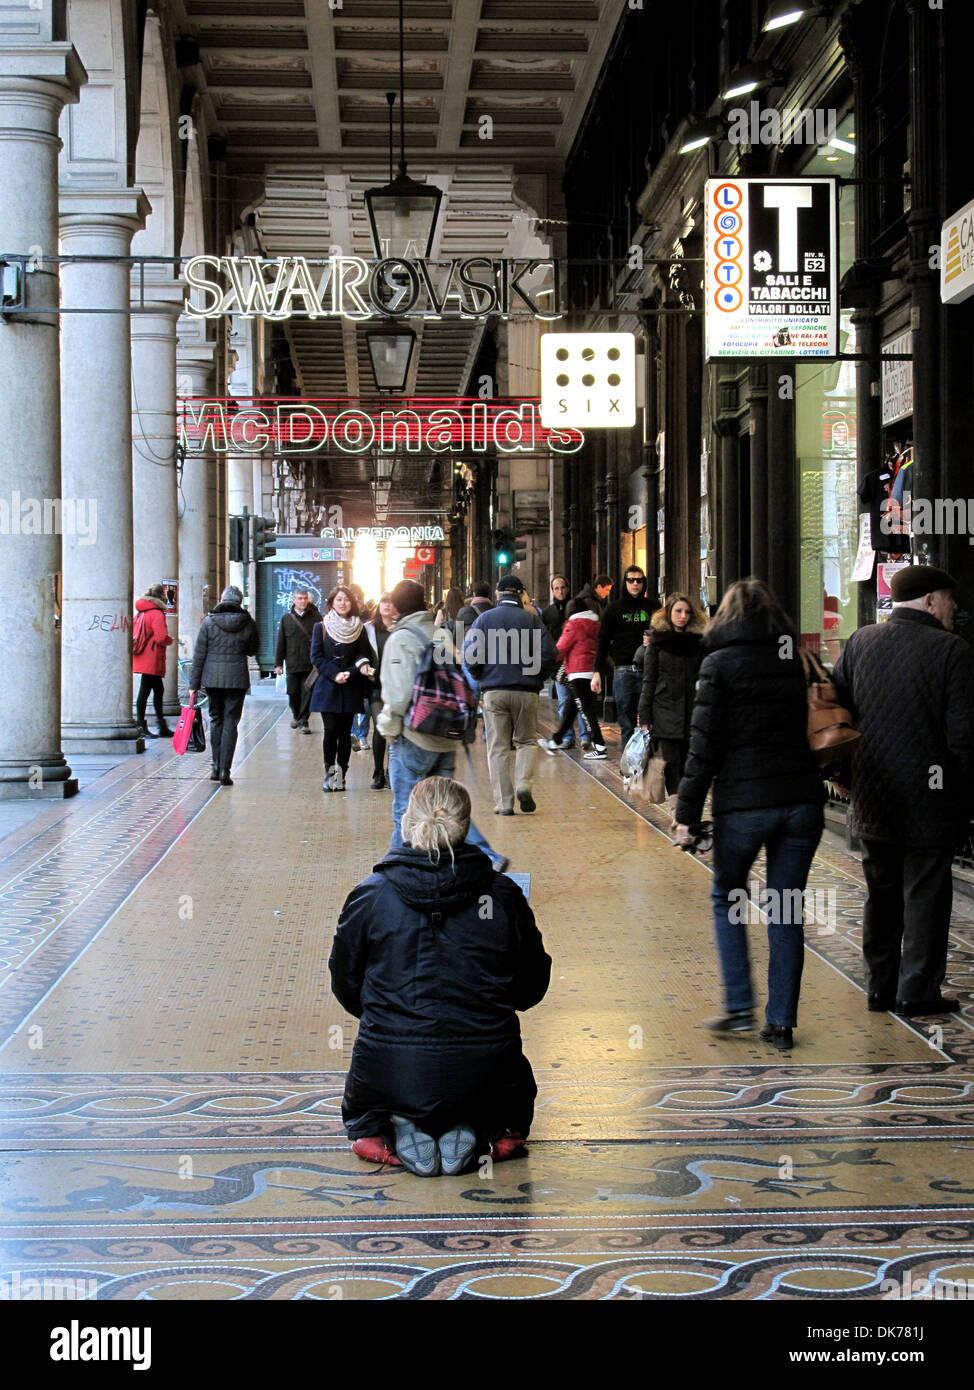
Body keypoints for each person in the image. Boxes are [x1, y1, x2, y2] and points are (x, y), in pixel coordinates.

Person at [329, 776, 551, 1175]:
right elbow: (531, 986)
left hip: (389, 1067)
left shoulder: (372, 894)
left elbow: (345, 984)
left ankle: (386, 1128)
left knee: (374, 1092)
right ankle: (489, 1132)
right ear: (465, 826)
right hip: (487, 1071)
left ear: (406, 822)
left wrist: (390, 1010)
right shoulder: (500, 896)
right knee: (507, 1103)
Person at [673, 578, 826, 1051]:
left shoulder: (717, 664)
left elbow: (703, 748)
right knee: (785, 909)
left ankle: (739, 1005)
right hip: (801, 800)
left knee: (727, 896)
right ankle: (780, 1024)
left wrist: (685, 815)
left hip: (743, 805)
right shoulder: (796, 659)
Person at [834, 565, 974, 1016]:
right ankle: (917, 991)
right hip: (931, 800)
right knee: (926, 895)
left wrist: (841, 773)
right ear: (931, 600)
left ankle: (879, 988)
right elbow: (964, 737)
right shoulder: (953, 651)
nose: (954, 610)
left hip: (874, 795)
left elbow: (837, 715)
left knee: (881, 893)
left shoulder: (860, 642)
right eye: (950, 601)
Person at [377, 579, 507, 870]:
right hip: (445, 734)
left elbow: (398, 695)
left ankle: (393, 871)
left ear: (396, 606)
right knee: (446, 808)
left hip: (415, 737)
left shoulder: (401, 638)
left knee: (406, 809)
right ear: (424, 602)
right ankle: (488, 856)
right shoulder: (439, 634)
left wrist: (388, 727)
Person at [463, 573, 557, 815]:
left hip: (495, 691)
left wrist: (482, 677)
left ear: (498, 594)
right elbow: (549, 653)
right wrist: (537, 677)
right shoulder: (532, 620)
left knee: (498, 747)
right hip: (526, 692)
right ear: (521, 594)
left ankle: (504, 803)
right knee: (526, 741)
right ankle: (524, 785)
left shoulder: (484, 620)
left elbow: (470, 656)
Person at [637, 593, 707, 826]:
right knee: (671, 763)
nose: (682, 616)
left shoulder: (699, 643)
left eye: (686, 612)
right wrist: (644, 713)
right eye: (678, 611)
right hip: (664, 709)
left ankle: (686, 811)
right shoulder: (658, 642)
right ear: (669, 613)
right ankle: (678, 813)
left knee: (690, 764)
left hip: (693, 711)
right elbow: (649, 679)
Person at [187, 584, 259, 786]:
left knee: (216, 719)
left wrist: (194, 683)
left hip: (213, 680)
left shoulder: (208, 622)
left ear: (221, 599)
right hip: (236, 680)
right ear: (240, 602)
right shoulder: (248, 622)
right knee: (231, 723)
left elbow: (198, 655)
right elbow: (253, 650)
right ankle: (225, 771)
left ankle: (215, 766)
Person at [309, 586, 375, 793]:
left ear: (352, 603)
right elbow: (316, 657)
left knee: (345, 734)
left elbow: (364, 654)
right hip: (328, 686)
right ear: (331, 602)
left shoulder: (359, 627)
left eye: (346, 600)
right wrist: (334, 674)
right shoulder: (321, 626)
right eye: (338, 599)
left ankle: (342, 775)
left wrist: (351, 672)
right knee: (330, 732)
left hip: (351, 686)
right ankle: (330, 774)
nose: (342, 603)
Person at [537, 595, 607, 759]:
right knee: (571, 709)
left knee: (586, 710)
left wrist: (546, 659)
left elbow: (561, 648)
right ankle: (555, 740)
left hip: (577, 671)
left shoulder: (574, 624)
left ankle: (600, 746)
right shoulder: (595, 624)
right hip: (591, 671)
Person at [594, 565, 651, 760]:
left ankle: (647, 763)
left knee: (648, 720)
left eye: (639, 580)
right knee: (626, 722)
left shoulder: (653, 607)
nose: (635, 584)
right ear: (624, 582)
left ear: (644, 583)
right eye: (631, 580)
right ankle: (629, 765)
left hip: (648, 670)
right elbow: (602, 640)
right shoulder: (614, 609)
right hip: (623, 670)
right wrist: (597, 671)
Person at [542, 575, 589, 750]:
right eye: (556, 588)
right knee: (563, 702)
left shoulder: (577, 608)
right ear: (552, 590)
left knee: (580, 702)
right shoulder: (548, 613)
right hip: (560, 666)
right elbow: (546, 638)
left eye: (563, 587)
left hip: (578, 663)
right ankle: (568, 737)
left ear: (567, 588)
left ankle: (585, 736)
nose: (560, 591)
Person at [273, 588, 322, 734]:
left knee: (308, 692)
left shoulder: (316, 618)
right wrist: (278, 664)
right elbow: (281, 641)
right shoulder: (286, 619)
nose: (302, 601)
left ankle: (304, 720)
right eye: (299, 598)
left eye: (305, 598)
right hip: (293, 663)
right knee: (293, 692)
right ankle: (296, 714)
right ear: (294, 600)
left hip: (310, 663)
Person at [133, 583, 174, 739]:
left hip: (143, 654)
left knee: (158, 690)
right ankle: (141, 726)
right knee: (145, 691)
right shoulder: (156, 613)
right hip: (152, 656)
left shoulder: (141, 611)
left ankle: (160, 725)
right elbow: (160, 637)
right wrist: (169, 640)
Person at [365, 592, 396, 790]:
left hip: (395, 687)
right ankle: (378, 772)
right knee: (379, 727)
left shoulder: (401, 628)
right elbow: (360, 653)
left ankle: (391, 772)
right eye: (384, 601)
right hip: (375, 685)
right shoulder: (368, 629)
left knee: (394, 729)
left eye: (391, 602)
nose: (387, 605)